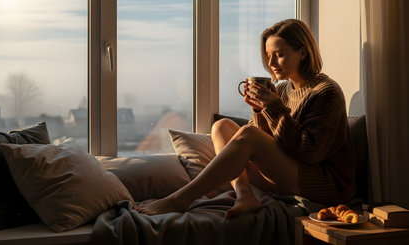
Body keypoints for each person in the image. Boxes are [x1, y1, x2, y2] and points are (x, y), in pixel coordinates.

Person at [135, 19, 355, 219]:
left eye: (279, 54)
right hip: (290, 172)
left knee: (248, 135)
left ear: (303, 53)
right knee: (222, 126)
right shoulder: (285, 89)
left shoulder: (326, 92)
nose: (271, 62)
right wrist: (259, 111)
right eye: (268, 55)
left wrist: (272, 107)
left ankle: (179, 199)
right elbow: (271, 140)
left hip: (322, 184)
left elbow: (309, 152)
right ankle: (244, 194)